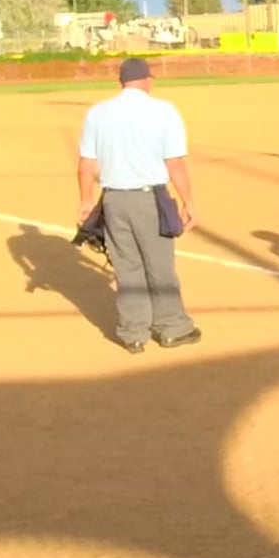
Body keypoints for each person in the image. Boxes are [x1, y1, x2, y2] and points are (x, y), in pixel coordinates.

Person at [76, 57, 202, 354]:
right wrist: (188, 201)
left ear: (121, 81)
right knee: (159, 266)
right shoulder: (164, 110)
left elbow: (86, 164)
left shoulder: (97, 113)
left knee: (126, 266)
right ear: (147, 80)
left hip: (113, 200)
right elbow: (174, 163)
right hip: (149, 199)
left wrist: (86, 199)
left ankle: (133, 333)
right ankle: (172, 328)